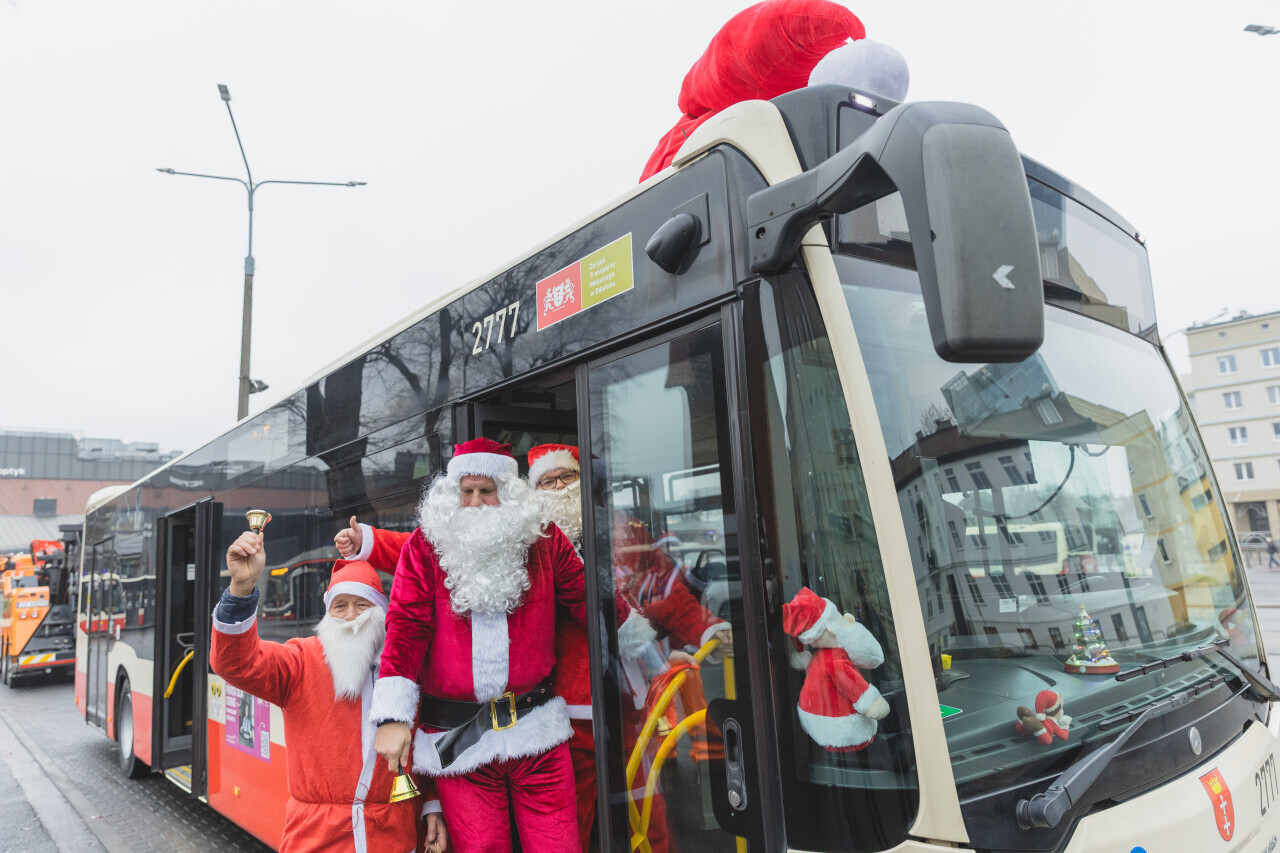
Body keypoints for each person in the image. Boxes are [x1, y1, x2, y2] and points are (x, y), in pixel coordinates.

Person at [368, 438, 598, 853]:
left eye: (486, 491)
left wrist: (641, 639)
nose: (474, 502)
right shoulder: (424, 546)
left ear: (506, 493)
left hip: (538, 732)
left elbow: (591, 602)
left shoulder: (545, 541)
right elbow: (405, 627)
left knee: (561, 845)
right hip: (461, 741)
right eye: (466, 491)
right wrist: (392, 716)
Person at [212, 531, 448, 853]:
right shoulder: (301, 660)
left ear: (381, 612)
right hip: (317, 837)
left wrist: (431, 802)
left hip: (394, 836)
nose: (351, 617)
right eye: (340, 606)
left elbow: (426, 744)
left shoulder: (405, 671)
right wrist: (241, 589)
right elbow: (236, 663)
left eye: (362, 605)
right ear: (327, 614)